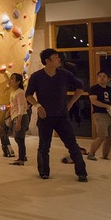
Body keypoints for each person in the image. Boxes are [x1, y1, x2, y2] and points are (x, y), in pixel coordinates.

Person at [25, 48, 88, 182]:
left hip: (62, 116)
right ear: (47, 61)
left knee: (72, 144)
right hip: (45, 117)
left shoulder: (64, 74)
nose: (59, 59)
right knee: (44, 146)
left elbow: (80, 87)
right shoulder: (36, 76)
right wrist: (38, 105)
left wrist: (70, 103)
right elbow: (28, 95)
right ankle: (44, 172)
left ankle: (82, 172)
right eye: (56, 57)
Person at [87, 71, 111, 160]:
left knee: (110, 136)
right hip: (100, 114)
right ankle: (91, 153)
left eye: (104, 76)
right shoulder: (94, 88)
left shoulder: (110, 89)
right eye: (100, 76)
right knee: (102, 135)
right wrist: (107, 106)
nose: (102, 78)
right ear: (97, 78)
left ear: (108, 79)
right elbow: (94, 101)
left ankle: (105, 156)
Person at [3, 73, 30, 165]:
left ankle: (21, 159)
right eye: (10, 79)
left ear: (18, 82)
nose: (10, 81)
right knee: (17, 137)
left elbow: (21, 107)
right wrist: (9, 112)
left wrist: (19, 121)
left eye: (12, 79)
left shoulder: (20, 92)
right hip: (15, 116)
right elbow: (14, 105)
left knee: (19, 138)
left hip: (21, 117)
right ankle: (23, 156)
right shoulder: (13, 92)